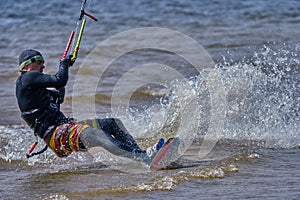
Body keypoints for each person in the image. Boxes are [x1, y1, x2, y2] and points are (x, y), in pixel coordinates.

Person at [16, 49, 164, 163]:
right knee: (96, 135)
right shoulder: (26, 78)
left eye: (43, 62)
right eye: (39, 62)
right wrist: (64, 64)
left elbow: (58, 96)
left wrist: (60, 86)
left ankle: (141, 154)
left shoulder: (35, 89)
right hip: (56, 136)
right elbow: (59, 80)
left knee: (112, 123)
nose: (43, 65)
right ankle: (142, 157)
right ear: (27, 65)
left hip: (67, 128)